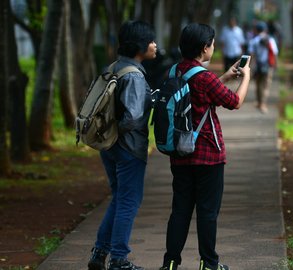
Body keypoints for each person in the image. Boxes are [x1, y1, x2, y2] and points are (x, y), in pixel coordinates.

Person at [160, 23, 251, 270]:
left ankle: (170, 264)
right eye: (211, 43)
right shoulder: (205, 78)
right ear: (204, 48)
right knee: (207, 213)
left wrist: (225, 77)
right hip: (208, 156)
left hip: (179, 153)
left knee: (179, 211)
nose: (213, 47)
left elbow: (198, 94)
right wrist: (246, 78)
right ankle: (209, 264)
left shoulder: (173, 72)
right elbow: (234, 101)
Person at [87, 20, 157, 270]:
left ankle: (99, 253)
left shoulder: (114, 67)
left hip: (109, 146)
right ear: (140, 46)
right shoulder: (135, 76)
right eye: (151, 41)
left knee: (118, 198)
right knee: (129, 201)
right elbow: (133, 117)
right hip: (128, 147)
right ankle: (118, 259)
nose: (155, 45)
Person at [248, 21, 278, 113]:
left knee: (258, 84)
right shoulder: (270, 40)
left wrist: (250, 67)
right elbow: (275, 53)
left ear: (256, 30)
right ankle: (263, 104)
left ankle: (258, 102)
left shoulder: (253, 41)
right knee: (265, 86)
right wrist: (275, 65)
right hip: (268, 65)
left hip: (257, 66)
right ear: (265, 30)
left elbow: (251, 55)